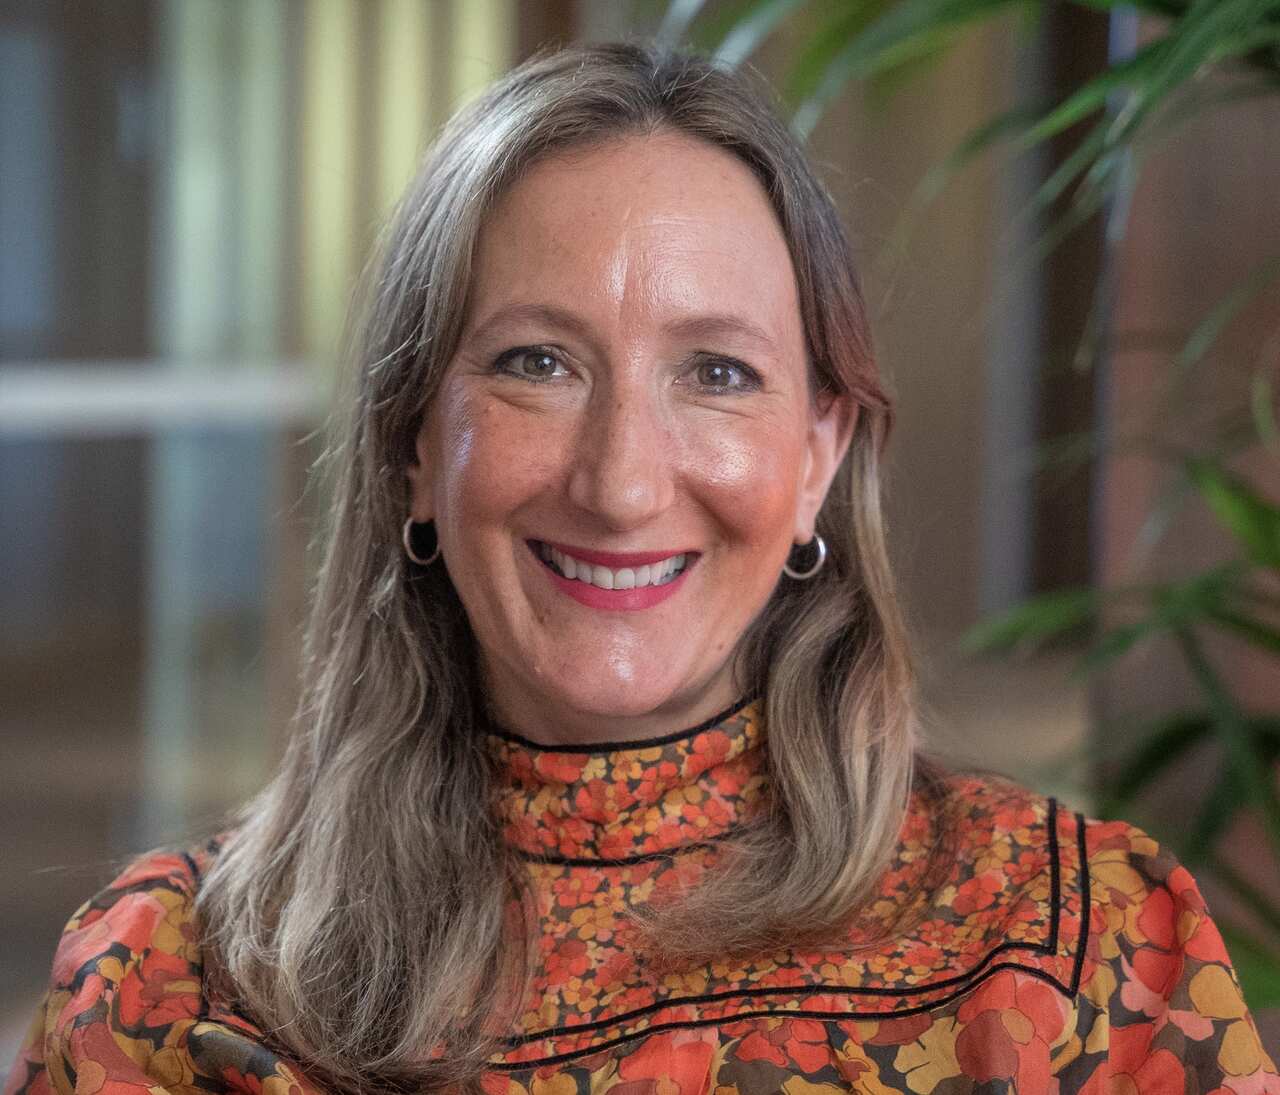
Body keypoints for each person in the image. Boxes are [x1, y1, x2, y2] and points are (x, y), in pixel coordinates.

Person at [5, 41, 1276, 1095]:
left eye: (716, 373)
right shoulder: (161, 988)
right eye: (534, 364)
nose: (618, 484)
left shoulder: (1081, 957)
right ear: (410, 449)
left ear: (817, 455)